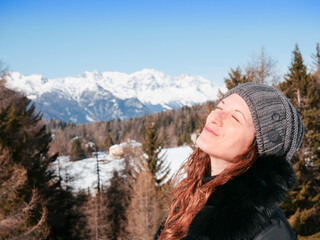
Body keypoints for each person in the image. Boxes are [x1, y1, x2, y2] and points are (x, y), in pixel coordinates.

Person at [154, 82, 304, 240]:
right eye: (219, 107)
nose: (215, 118)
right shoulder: (194, 195)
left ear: (257, 149)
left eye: (235, 118)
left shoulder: (270, 231)